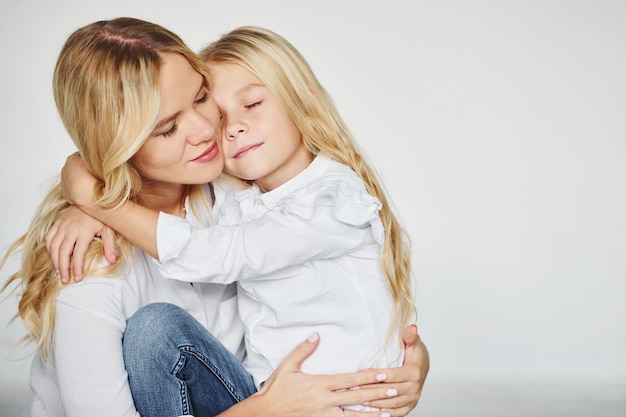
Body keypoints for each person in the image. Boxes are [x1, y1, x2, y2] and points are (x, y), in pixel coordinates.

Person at [1, 17, 428, 417]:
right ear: (120, 146)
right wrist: (264, 410)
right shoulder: (91, 269)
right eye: (168, 128)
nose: (207, 130)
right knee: (155, 331)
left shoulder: (229, 191)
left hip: (268, 396)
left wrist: (409, 361)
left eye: (201, 99)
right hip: (262, 405)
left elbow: (333, 277)